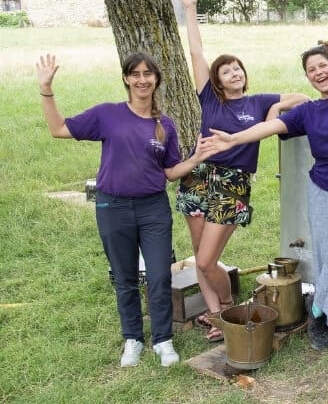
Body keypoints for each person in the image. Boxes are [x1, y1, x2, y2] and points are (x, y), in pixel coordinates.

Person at [200, 0, 328, 351]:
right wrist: (234, 140)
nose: (318, 73)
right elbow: (267, 129)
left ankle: (320, 310)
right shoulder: (308, 112)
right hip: (322, 189)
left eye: (322, 66)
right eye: (311, 70)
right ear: (308, 77)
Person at [37, 52, 215, 368]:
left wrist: (197, 157)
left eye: (149, 74)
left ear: (156, 80)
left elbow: (170, 171)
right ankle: (132, 339)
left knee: (160, 276)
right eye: (136, 74)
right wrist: (46, 90)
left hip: (153, 209)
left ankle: (162, 340)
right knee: (125, 277)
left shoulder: (165, 125)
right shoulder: (108, 115)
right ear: (126, 78)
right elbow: (58, 129)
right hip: (113, 206)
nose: (142, 79)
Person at [175, 0, 309, 342]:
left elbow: (301, 98)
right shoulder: (211, 101)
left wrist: (276, 109)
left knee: (205, 260)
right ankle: (216, 314)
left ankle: (229, 304)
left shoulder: (258, 102)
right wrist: (190, 8)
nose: (234, 73)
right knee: (199, 252)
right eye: (226, 71)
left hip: (233, 184)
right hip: (199, 177)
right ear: (217, 81)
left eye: (238, 69)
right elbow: (196, 53)